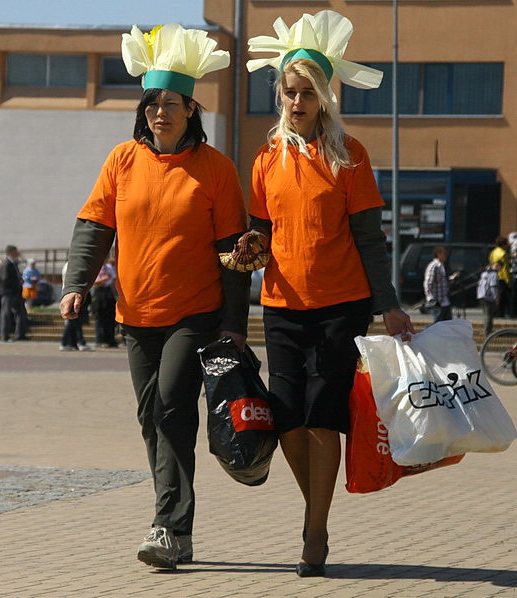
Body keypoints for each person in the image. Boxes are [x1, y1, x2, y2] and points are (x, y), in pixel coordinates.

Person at [59, 23, 248, 570]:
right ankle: (176, 526)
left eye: (171, 103)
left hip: (196, 313)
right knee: (152, 417)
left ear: (192, 109)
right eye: (152, 103)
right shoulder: (122, 159)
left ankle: (168, 524)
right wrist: (76, 284)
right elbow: (94, 226)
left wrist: (235, 322)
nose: (160, 112)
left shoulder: (215, 170)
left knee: (169, 405)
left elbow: (234, 253)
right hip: (135, 312)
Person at [245, 10, 414, 578]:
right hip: (281, 305)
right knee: (287, 416)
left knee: (323, 416)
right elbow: (262, 237)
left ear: (325, 96)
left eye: (307, 93)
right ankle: (315, 511)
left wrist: (388, 303)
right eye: (289, 93)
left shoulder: (351, 156)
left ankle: (314, 532)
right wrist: (243, 253)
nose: (297, 103)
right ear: (282, 96)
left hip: (342, 305)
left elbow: (370, 239)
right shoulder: (267, 160)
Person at [0, 245, 29, 342]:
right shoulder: (6, 264)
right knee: (6, 314)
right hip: (8, 292)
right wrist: (17, 282)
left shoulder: (13, 264)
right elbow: (5, 279)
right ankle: (4, 336)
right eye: (16, 252)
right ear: (11, 252)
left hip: (16, 292)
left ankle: (20, 334)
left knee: (21, 313)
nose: (18, 254)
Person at [59, 261, 92, 352]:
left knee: (74, 321)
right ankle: (77, 342)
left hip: (74, 294)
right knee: (73, 320)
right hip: (72, 294)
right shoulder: (71, 266)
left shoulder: (71, 265)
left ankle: (72, 343)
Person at [424, 245, 456, 324]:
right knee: (437, 325)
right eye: (444, 254)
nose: (446, 256)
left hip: (445, 302)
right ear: (438, 254)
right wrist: (430, 298)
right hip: (437, 302)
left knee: (447, 326)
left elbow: (442, 281)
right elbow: (428, 283)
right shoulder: (434, 266)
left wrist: (452, 278)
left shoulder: (441, 266)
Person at [91, 257, 118, 348]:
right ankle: (100, 340)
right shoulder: (95, 268)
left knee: (110, 318)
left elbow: (113, 279)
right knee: (99, 318)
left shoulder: (108, 268)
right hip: (99, 292)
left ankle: (110, 340)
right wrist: (105, 279)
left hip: (108, 292)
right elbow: (94, 282)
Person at [477, 260, 502, 336]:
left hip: (481, 295)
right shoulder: (494, 274)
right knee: (489, 315)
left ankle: (486, 330)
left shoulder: (484, 273)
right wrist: (496, 298)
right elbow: (493, 287)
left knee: (486, 314)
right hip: (488, 297)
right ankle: (487, 332)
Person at [488, 236, 511, 317]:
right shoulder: (503, 253)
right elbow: (505, 268)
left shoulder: (493, 252)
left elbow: (490, 262)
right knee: (502, 297)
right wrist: (508, 280)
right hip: (502, 277)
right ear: (503, 244)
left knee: (495, 295)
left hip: (493, 275)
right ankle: (501, 313)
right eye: (507, 243)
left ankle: (494, 312)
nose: (508, 245)